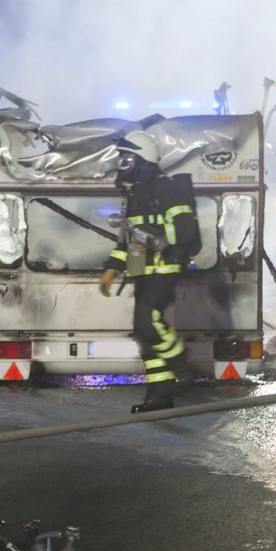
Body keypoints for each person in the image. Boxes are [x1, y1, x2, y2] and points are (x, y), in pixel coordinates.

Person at [98, 130, 201, 413]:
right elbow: (126, 242)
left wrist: (152, 235)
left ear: (143, 160)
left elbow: (185, 228)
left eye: (127, 157)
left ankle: (182, 366)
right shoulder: (136, 196)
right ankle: (160, 393)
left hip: (165, 267)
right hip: (143, 270)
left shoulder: (165, 189)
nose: (123, 164)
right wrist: (111, 269)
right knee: (143, 335)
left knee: (147, 320)